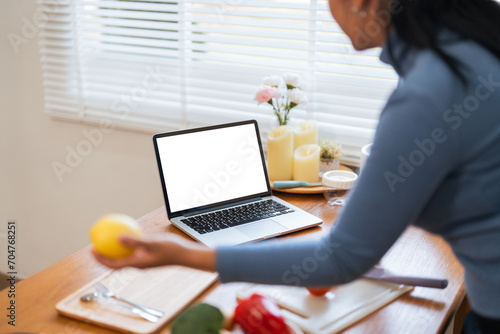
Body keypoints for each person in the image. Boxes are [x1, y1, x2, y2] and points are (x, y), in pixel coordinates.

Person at [93, 0, 500, 332]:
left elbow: (340, 260)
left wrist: (182, 255)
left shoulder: (431, 90)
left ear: (361, 3)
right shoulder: (477, 51)